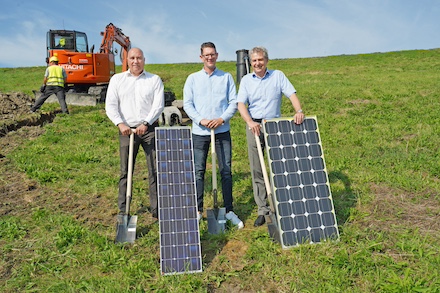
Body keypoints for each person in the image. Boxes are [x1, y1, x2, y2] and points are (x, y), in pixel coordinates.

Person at [237, 46, 305, 227]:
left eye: (260, 60)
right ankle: (262, 210)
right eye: (254, 61)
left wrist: (298, 111)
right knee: (257, 169)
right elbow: (241, 104)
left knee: (279, 167)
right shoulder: (246, 81)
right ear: (250, 63)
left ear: (266, 60)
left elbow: (292, 93)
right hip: (255, 126)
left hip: (275, 125)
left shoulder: (278, 76)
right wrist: (250, 122)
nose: (257, 63)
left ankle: (282, 206)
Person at [183, 42, 244, 229]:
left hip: (221, 131)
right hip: (200, 133)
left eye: (213, 54)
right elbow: (188, 104)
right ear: (201, 57)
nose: (210, 57)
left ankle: (229, 209)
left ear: (217, 55)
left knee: (226, 170)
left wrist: (221, 119)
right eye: (206, 55)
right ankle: (198, 210)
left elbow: (234, 102)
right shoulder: (192, 79)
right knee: (198, 171)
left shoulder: (226, 77)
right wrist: (201, 120)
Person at [105, 47, 164, 219]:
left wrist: (146, 123)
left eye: (139, 58)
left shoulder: (154, 80)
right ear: (127, 60)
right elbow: (110, 105)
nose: (136, 61)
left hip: (149, 130)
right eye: (132, 58)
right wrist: (120, 124)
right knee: (125, 171)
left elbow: (158, 105)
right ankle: (124, 210)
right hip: (126, 131)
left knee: (154, 170)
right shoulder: (117, 80)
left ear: (144, 60)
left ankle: (157, 209)